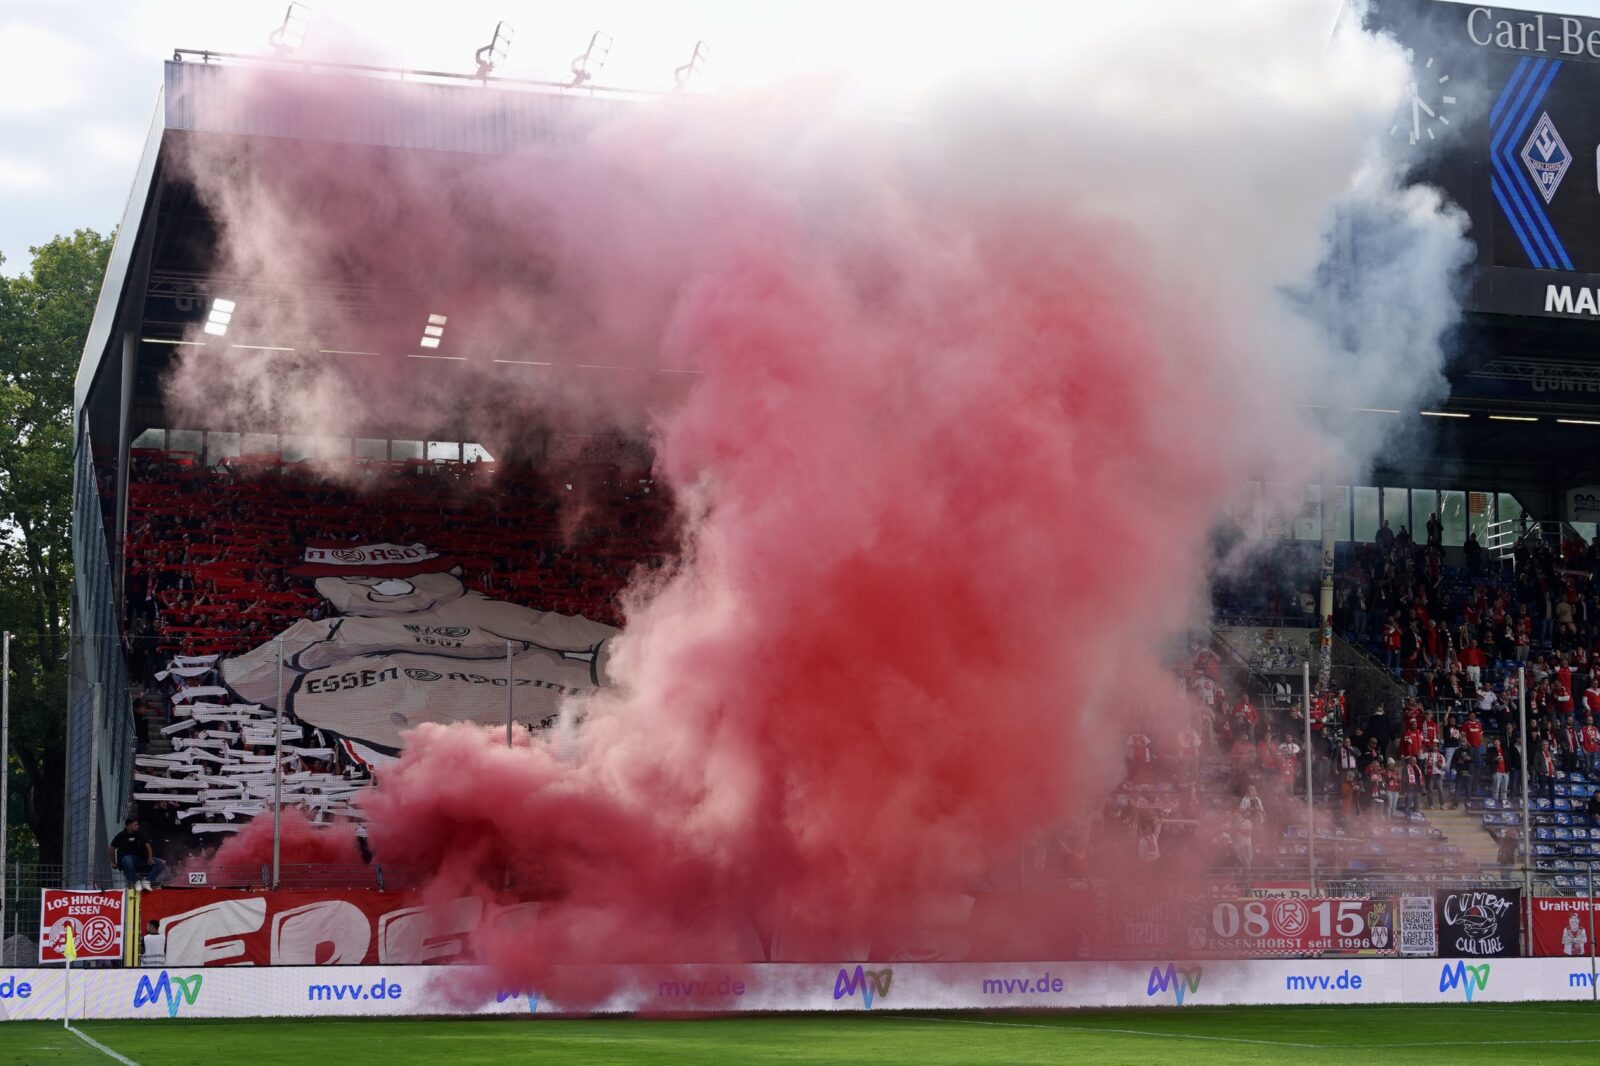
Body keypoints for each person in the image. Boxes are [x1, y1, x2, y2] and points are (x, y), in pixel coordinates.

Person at [108, 817, 165, 891]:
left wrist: (150, 858)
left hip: (142, 858)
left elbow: (148, 846)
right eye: (135, 825)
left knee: (160, 863)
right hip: (129, 860)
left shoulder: (140, 834)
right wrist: (113, 862)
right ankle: (136, 881)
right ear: (128, 825)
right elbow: (111, 848)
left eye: (137, 825)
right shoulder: (120, 836)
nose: (137, 827)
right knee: (126, 859)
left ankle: (147, 882)